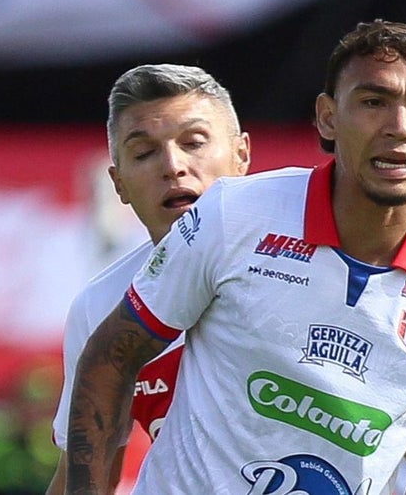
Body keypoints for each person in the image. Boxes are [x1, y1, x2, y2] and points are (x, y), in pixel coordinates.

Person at [65, 19, 406, 494]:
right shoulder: (232, 213)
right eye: (373, 102)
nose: (400, 127)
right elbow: (110, 357)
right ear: (327, 117)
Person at [45, 63, 252, 494]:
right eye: (144, 153)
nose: (173, 166)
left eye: (194, 143)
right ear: (119, 184)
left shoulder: (320, 257)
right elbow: (82, 478)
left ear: (242, 155)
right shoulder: (102, 308)